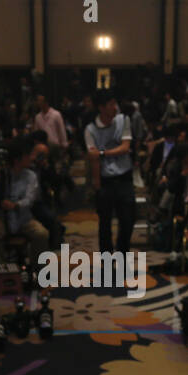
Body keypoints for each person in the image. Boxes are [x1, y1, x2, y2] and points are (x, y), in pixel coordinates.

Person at [85, 89, 135, 254]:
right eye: (111, 104)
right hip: (106, 181)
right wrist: (97, 185)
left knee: (128, 221)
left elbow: (125, 147)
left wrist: (102, 153)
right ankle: (107, 263)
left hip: (125, 178)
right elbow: (93, 160)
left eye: (115, 103)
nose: (115, 107)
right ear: (101, 107)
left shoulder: (123, 120)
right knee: (104, 224)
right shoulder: (90, 130)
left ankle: (121, 256)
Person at [0, 138, 48, 264]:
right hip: (1, 219)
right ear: (17, 159)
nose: (31, 158)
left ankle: (36, 269)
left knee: (42, 234)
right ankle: (1, 269)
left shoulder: (30, 176)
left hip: (23, 219)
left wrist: (15, 205)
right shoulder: (0, 173)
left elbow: (30, 199)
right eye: (28, 155)